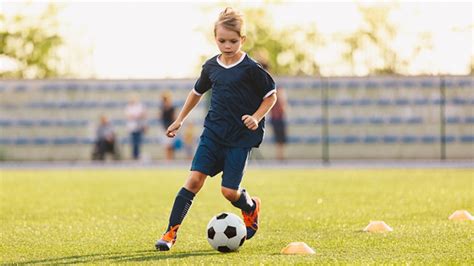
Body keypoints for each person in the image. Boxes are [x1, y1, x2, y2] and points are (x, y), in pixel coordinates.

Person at [155, 7, 277, 251]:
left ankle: (250, 206)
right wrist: (179, 120)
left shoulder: (251, 69)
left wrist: (256, 117)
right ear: (215, 39)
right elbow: (196, 92)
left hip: (240, 138)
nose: (227, 45)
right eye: (222, 40)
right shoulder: (211, 67)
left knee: (229, 192)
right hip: (213, 134)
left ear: (242, 40)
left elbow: (271, 96)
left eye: (233, 41)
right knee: (194, 180)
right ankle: (170, 233)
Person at [125, 94, 147, 160]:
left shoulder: (139, 106)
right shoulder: (128, 107)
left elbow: (143, 114)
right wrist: (136, 116)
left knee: (138, 142)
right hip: (132, 127)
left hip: (139, 126)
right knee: (133, 142)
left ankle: (137, 156)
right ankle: (134, 156)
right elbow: (129, 116)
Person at [160, 91, 178, 160]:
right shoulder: (162, 108)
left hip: (171, 127)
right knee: (167, 145)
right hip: (165, 127)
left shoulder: (172, 108)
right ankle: (168, 159)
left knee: (171, 145)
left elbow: (174, 117)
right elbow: (160, 117)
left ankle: (170, 159)